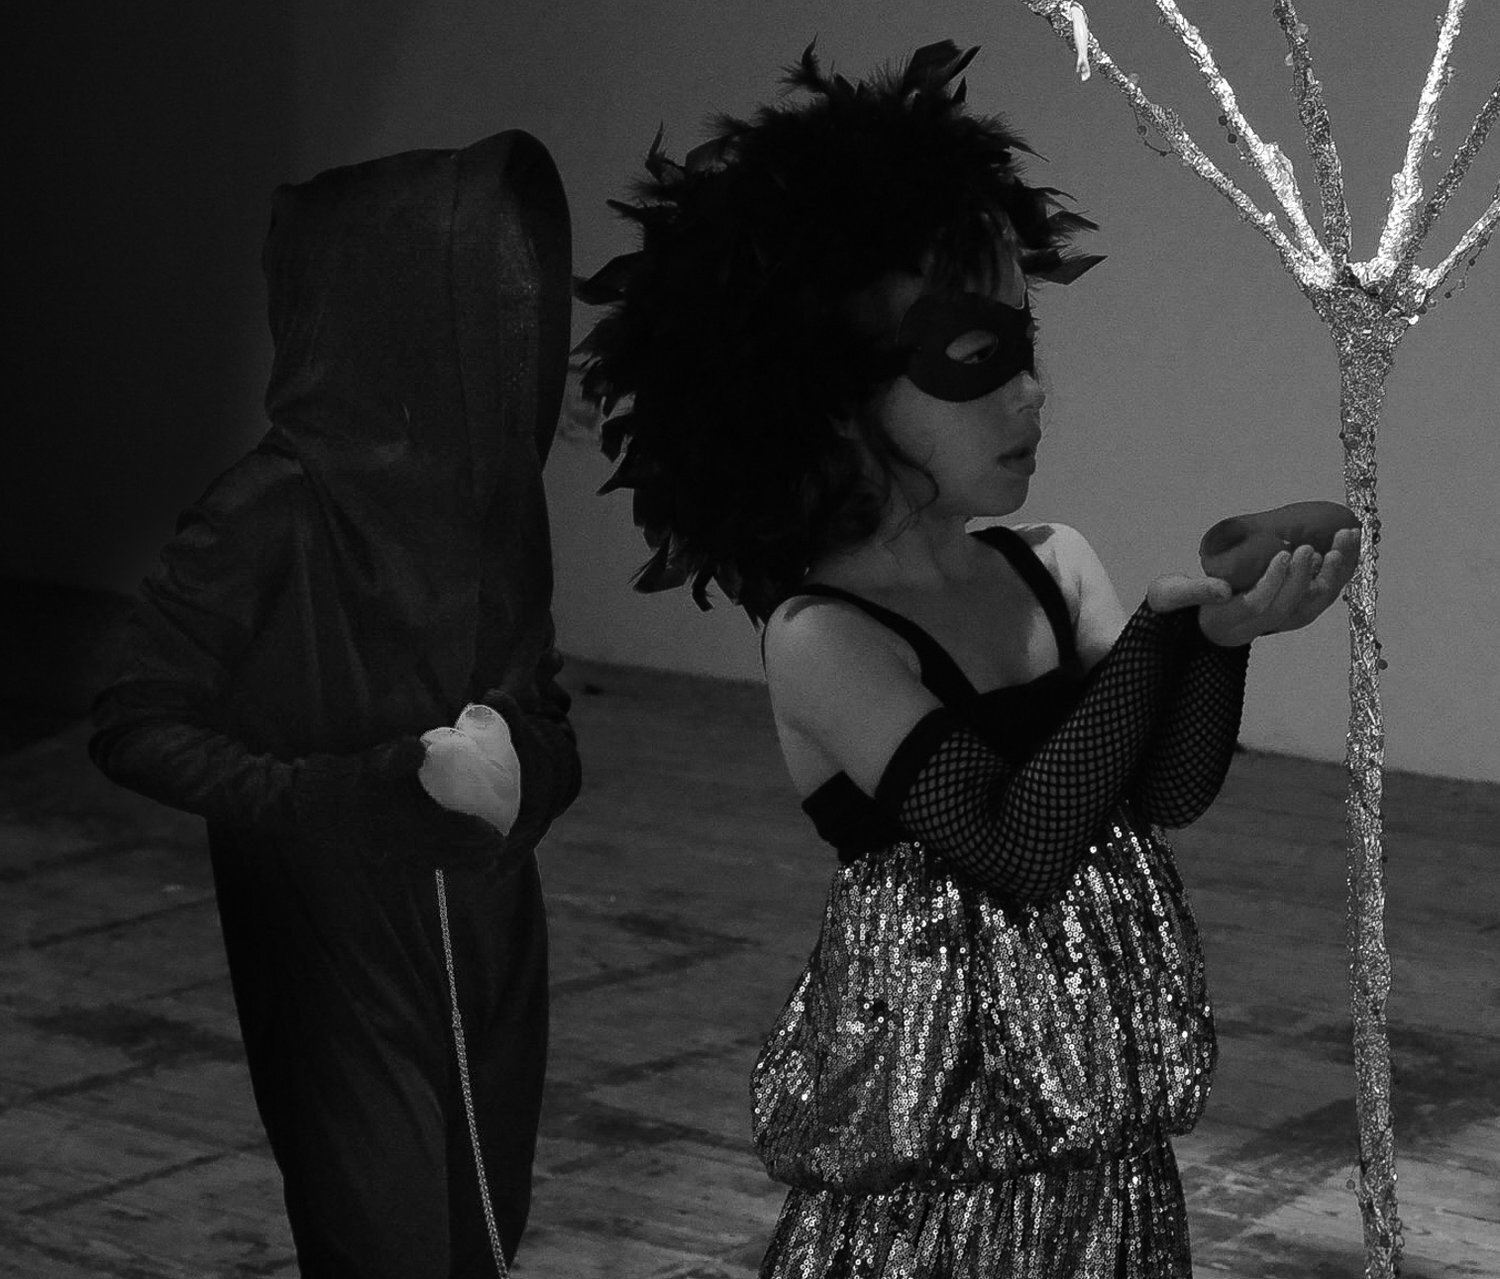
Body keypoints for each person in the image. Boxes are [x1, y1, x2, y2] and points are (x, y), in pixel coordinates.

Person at [574, 42, 1359, 1278]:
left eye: (1025, 346)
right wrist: (1162, 631)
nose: (1032, 395)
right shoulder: (823, 638)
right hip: (938, 1149)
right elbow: (1013, 843)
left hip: (1101, 1112)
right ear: (829, 396)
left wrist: (1217, 645)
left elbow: (1161, 793)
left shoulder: (1052, 562)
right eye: (974, 361)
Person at [89, 130, 581, 1277]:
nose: (513, 337)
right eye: (485, 306)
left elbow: (545, 706)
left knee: (480, 1235)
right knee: (383, 1238)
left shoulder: (493, 511)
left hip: (491, 939)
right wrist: (353, 793)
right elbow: (132, 719)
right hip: (334, 949)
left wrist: (520, 765)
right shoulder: (272, 508)